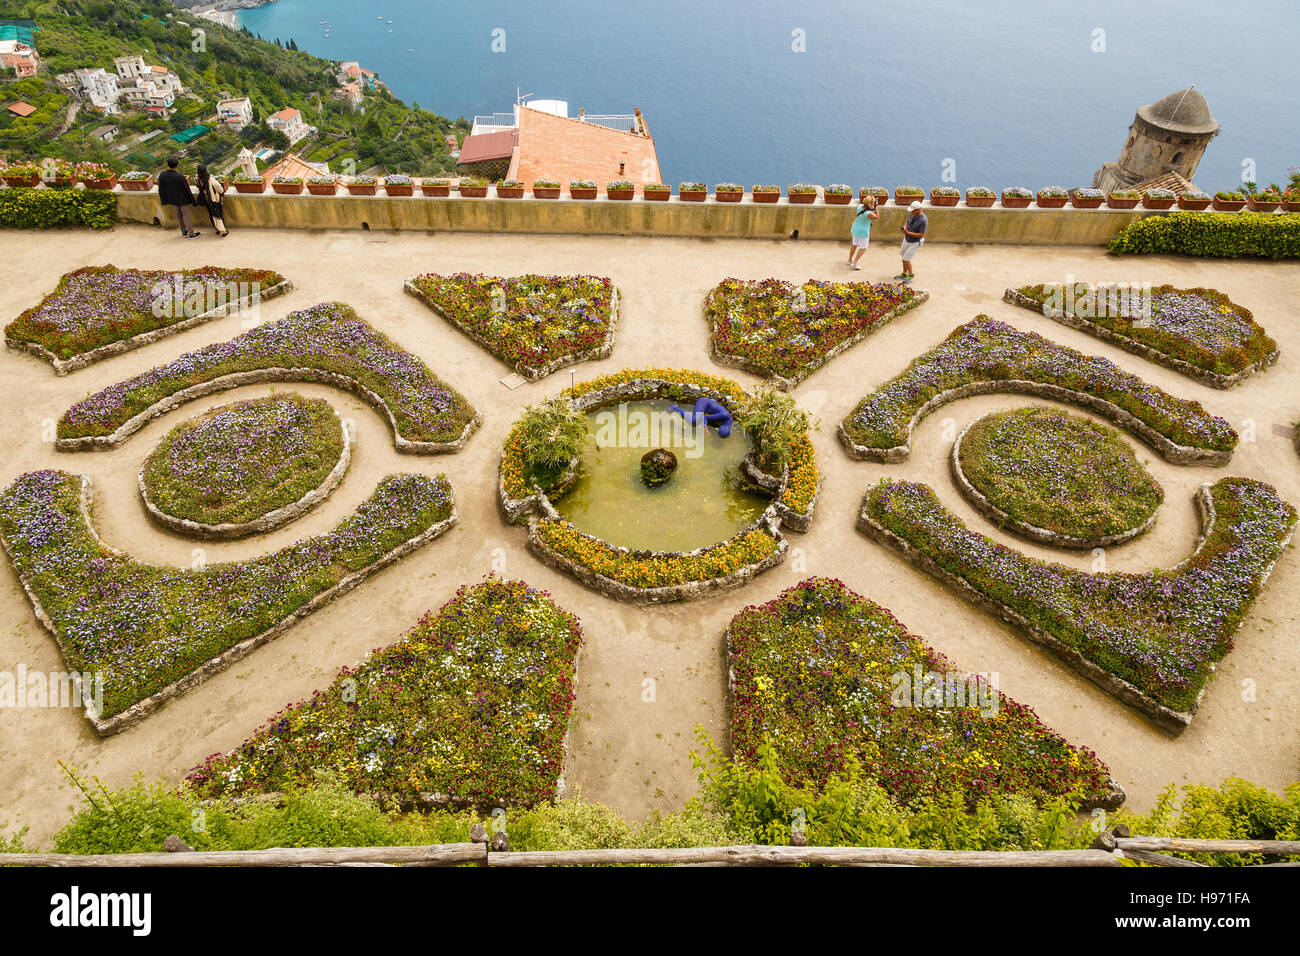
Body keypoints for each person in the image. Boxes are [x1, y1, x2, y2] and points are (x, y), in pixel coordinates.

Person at [157, 157, 199, 239]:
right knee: (186, 216)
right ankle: (191, 234)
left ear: (167, 165)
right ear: (176, 165)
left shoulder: (163, 175)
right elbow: (187, 189)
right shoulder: (180, 177)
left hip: (172, 200)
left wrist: (164, 199)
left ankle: (183, 232)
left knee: (179, 216)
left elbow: (161, 188)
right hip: (183, 200)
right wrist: (193, 201)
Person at [897, 200, 928, 282]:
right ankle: (904, 274)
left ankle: (910, 275)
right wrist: (905, 227)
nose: (911, 212)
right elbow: (907, 221)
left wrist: (908, 232)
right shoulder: (913, 213)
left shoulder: (923, 220)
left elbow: (921, 234)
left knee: (906, 259)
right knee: (903, 256)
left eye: (913, 210)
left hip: (914, 243)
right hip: (907, 239)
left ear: (918, 210)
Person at [195, 164, 229, 237]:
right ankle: (223, 231)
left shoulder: (198, 180)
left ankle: (216, 229)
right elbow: (220, 190)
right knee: (218, 215)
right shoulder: (211, 180)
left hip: (206, 200)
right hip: (214, 200)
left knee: (211, 215)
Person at [847, 194, 878, 270]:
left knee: (854, 244)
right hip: (863, 232)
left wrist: (872, 205)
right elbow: (877, 216)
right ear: (870, 204)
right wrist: (876, 207)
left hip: (855, 229)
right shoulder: (869, 213)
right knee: (863, 248)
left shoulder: (859, 207)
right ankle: (855, 262)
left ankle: (850, 260)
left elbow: (866, 210)